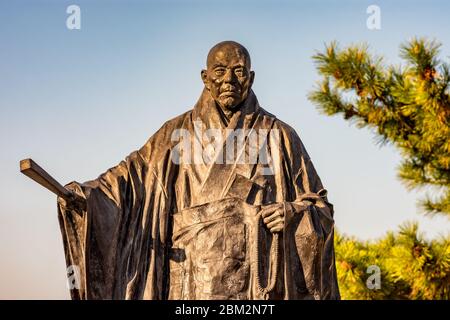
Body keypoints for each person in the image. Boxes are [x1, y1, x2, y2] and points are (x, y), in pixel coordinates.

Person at [58, 41, 340, 300]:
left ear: (251, 78)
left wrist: (292, 213)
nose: (229, 79)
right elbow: (131, 178)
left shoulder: (278, 136)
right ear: (205, 78)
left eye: (239, 71)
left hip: (255, 286)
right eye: (220, 71)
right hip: (187, 281)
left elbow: (321, 208)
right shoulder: (176, 134)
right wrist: (88, 197)